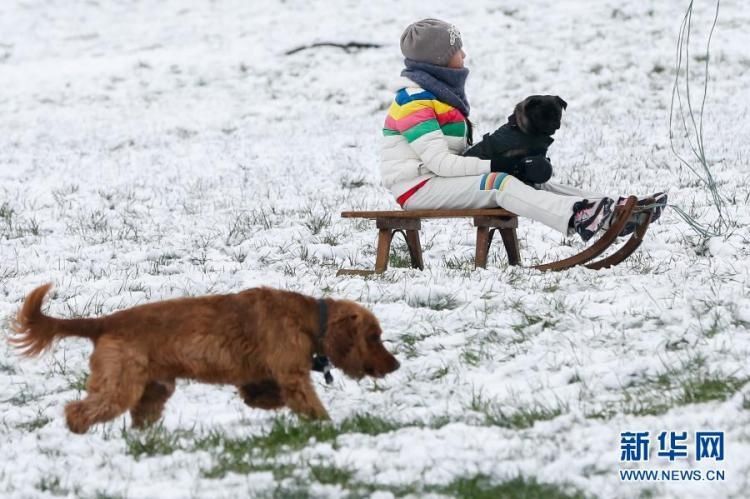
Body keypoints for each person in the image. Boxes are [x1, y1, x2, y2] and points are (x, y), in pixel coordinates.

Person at [380, 18, 666, 241]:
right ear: (439, 59)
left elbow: (456, 158)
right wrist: (498, 164)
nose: (464, 54)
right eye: (456, 50)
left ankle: (610, 210)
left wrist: (514, 159)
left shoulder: (440, 99)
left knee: (533, 181)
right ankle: (579, 217)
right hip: (417, 188)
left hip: (437, 182)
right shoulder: (413, 103)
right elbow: (440, 163)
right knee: (500, 183)